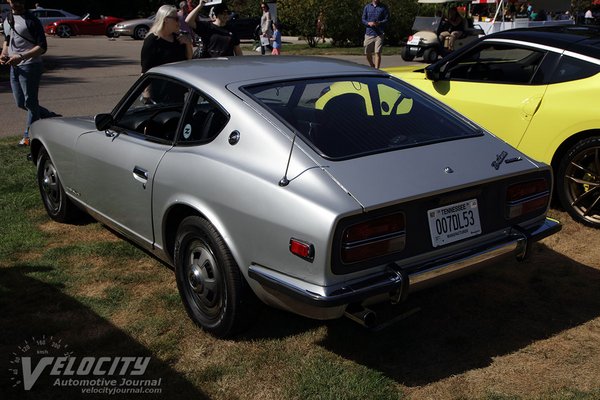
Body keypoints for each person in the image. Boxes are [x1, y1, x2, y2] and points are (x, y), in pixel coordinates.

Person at [1, 0, 59, 146]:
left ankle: (28, 136)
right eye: (14, 0)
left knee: (30, 102)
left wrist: (21, 57)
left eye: (21, 0)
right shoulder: (7, 18)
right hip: (14, 66)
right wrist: (3, 53)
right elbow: (7, 39)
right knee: (21, 103)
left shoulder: (32, 20)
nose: (18, 3)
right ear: (8, 1)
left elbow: (42, 47)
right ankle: (48, 116)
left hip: (30, 65)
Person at [141, 5, 193, 74]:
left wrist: (188, 44)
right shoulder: (152, 40)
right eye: (176, 19)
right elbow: (145, 70)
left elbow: (189, 59)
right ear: (166, 19)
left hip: (179, 80)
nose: (179, 22)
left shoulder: (178, 38)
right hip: (161, 83)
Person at [362, 0, 389, 69]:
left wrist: (379, 23)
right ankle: (372, 65)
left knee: (377, 52)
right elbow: (363, 19)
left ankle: (377, 70)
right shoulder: (367, 7)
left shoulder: (384, 7)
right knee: (367, 53)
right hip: (369, 33)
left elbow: (387, 19)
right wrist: (368, 23)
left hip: (379, 34)